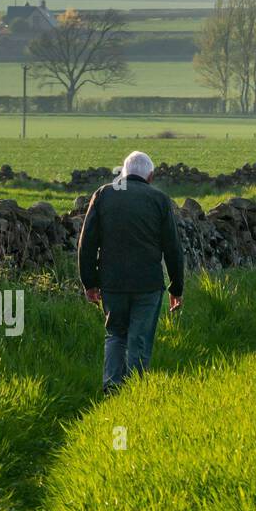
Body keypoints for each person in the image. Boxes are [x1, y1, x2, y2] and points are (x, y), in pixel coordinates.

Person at [78, 151, 185, 394]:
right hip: (147, 284)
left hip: (112, 283)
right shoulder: (159, 199)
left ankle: (112, 388)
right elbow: (172, 248)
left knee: (115, 334)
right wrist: (176, 288)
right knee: (139, 339)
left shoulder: (104, 195)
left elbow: (87, 243)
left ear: (124, 173)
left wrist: (89, 283)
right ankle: (135, 392)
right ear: (150, 175)